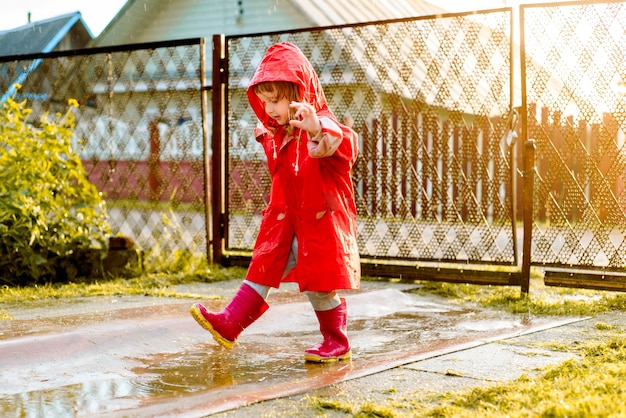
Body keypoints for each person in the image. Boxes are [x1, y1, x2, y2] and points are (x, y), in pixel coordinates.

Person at [190, 42, 360, 363]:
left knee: (319, 287)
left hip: (319, 224)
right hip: (288, 223)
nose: (269, 109)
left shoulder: (320, 126)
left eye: (276, 100)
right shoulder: (281, 134)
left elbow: (342, 145)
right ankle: (230, 323)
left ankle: (337, 341)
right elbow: (282, 172)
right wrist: (266, 140)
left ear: (300, 92)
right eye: (264, 101)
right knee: (263, 266)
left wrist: (316, 127)